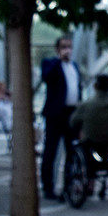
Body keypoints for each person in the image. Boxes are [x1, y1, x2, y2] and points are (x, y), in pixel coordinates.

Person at [39, 36, 82, 200]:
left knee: (71, 150)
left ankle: (68, 185)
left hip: (71, 113)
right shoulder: (51, 63)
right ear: (57, 49)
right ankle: (48, 186)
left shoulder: (74, 66)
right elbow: (46, 76)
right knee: (51, 150)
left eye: (69, 46)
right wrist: (59, 60)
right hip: (56, 114)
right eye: (64, 47)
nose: (67, 50)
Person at [69, 74, 108, 185]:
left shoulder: (87, 105)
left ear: (95, 86)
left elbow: (73, 122)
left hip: (92, 145)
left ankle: (89, 183)